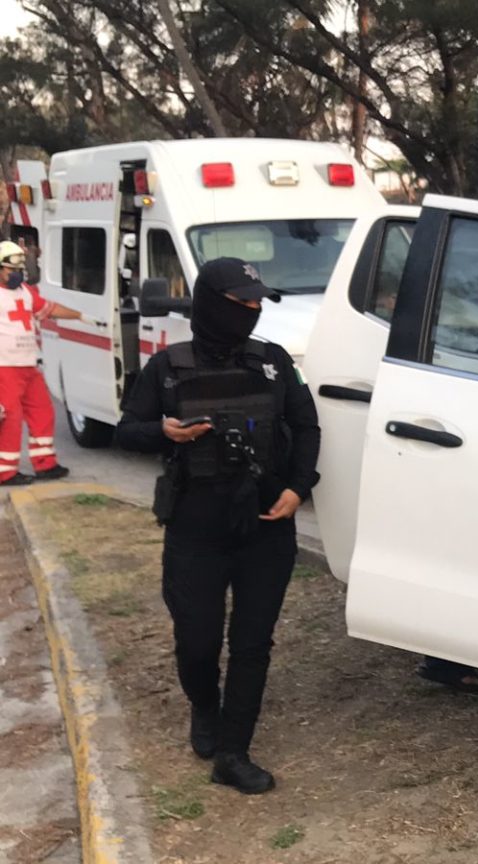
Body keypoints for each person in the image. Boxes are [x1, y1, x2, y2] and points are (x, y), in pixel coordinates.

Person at [116, 257, 320, 795]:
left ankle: (233, 752)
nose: (251, 311)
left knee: (252, 644)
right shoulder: (167, 367)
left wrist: (299, 487)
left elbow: (306, 425)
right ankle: (205, 706)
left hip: (266, 524)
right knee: (197, 641)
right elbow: (126, 431)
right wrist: (165, 432)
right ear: (209, 303)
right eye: (241, 302)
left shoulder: (273, 362)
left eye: (257, 303)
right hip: (195, 528)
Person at [0, 240, 81, 486]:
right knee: (10, 419)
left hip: (28, 365)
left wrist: (81, 316)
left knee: (42, 411)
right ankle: (5, 472)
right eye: (11, 270)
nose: (16, 274)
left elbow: (49, 309)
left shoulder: (25, 291)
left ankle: (45, 464)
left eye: (19, 269)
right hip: (4, 367)